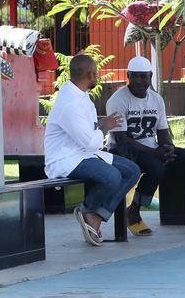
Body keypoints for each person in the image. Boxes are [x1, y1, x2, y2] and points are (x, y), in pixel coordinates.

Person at [106, 56, 185, 236]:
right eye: (134, 76)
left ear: (150, 76)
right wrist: (156, 153)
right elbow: (122, 140)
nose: (139, 81)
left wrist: (168, 148)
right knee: (156, 167)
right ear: (128, 76)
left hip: (151, 149)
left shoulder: (156, 99)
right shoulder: (118, 100)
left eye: (143, 77)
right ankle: (133, 212)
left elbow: (162, 131)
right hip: (124, 152)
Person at [44, 54, 141, 246]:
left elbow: (87, 133)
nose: (98, 75)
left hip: (83, 154)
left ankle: (96, 215)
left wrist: (102, 125)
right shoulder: (70, 103)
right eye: (96, 72)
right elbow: (90, 142)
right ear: (90, 74)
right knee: (112, 176)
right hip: (65, 159)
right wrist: (105, 125)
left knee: (132, 171)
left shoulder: (80, 95)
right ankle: (88, 210)